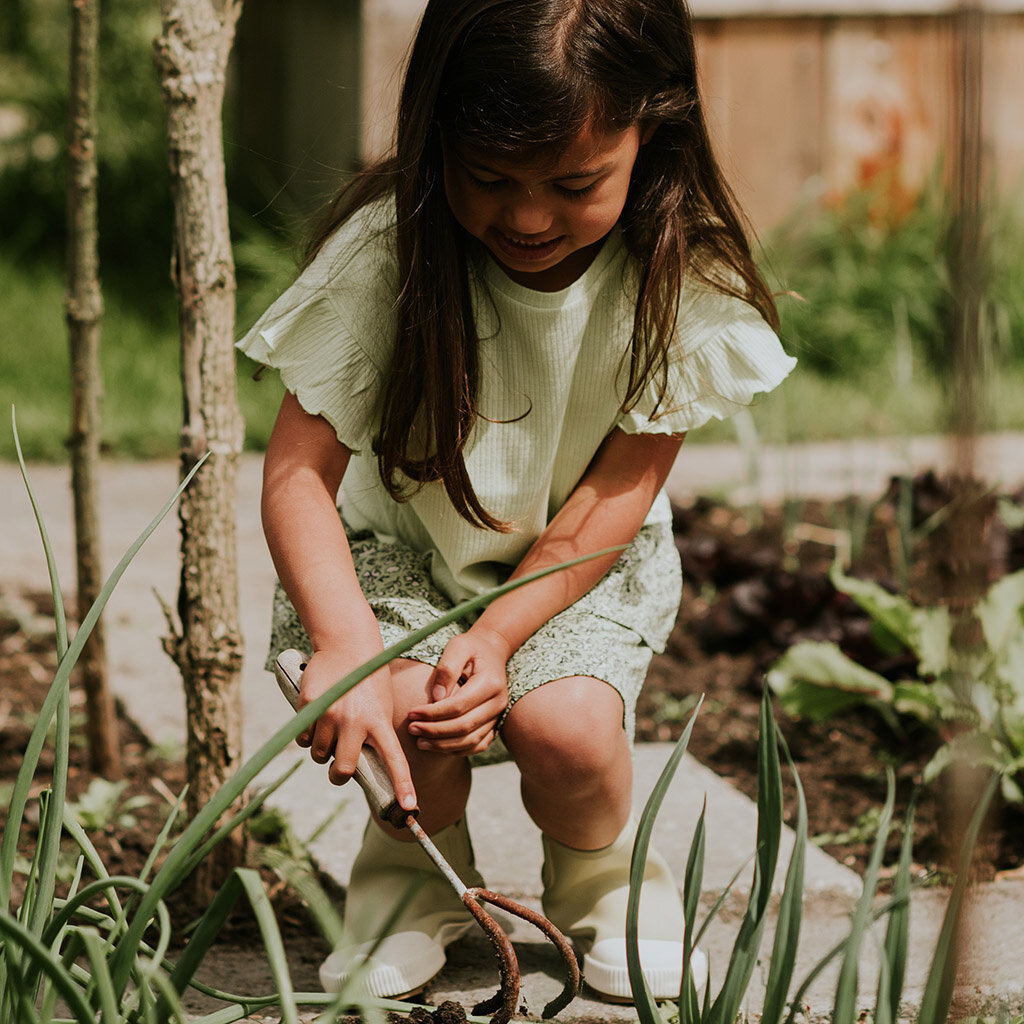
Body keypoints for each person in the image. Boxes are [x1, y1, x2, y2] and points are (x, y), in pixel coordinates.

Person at [239, 0, 795, 1004]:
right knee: (408, 714)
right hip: (398, 556)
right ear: (436, 134)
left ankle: (603, 877)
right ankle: (413, 877)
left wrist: (498, 636)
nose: (529, 218)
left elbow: (616, 495)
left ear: (652, 130)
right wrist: (343, 648)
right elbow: (296, 476)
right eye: (489, 177)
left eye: (575, 184)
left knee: (569, 729)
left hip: (578, 561)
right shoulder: (389, 254)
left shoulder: (676, 273)